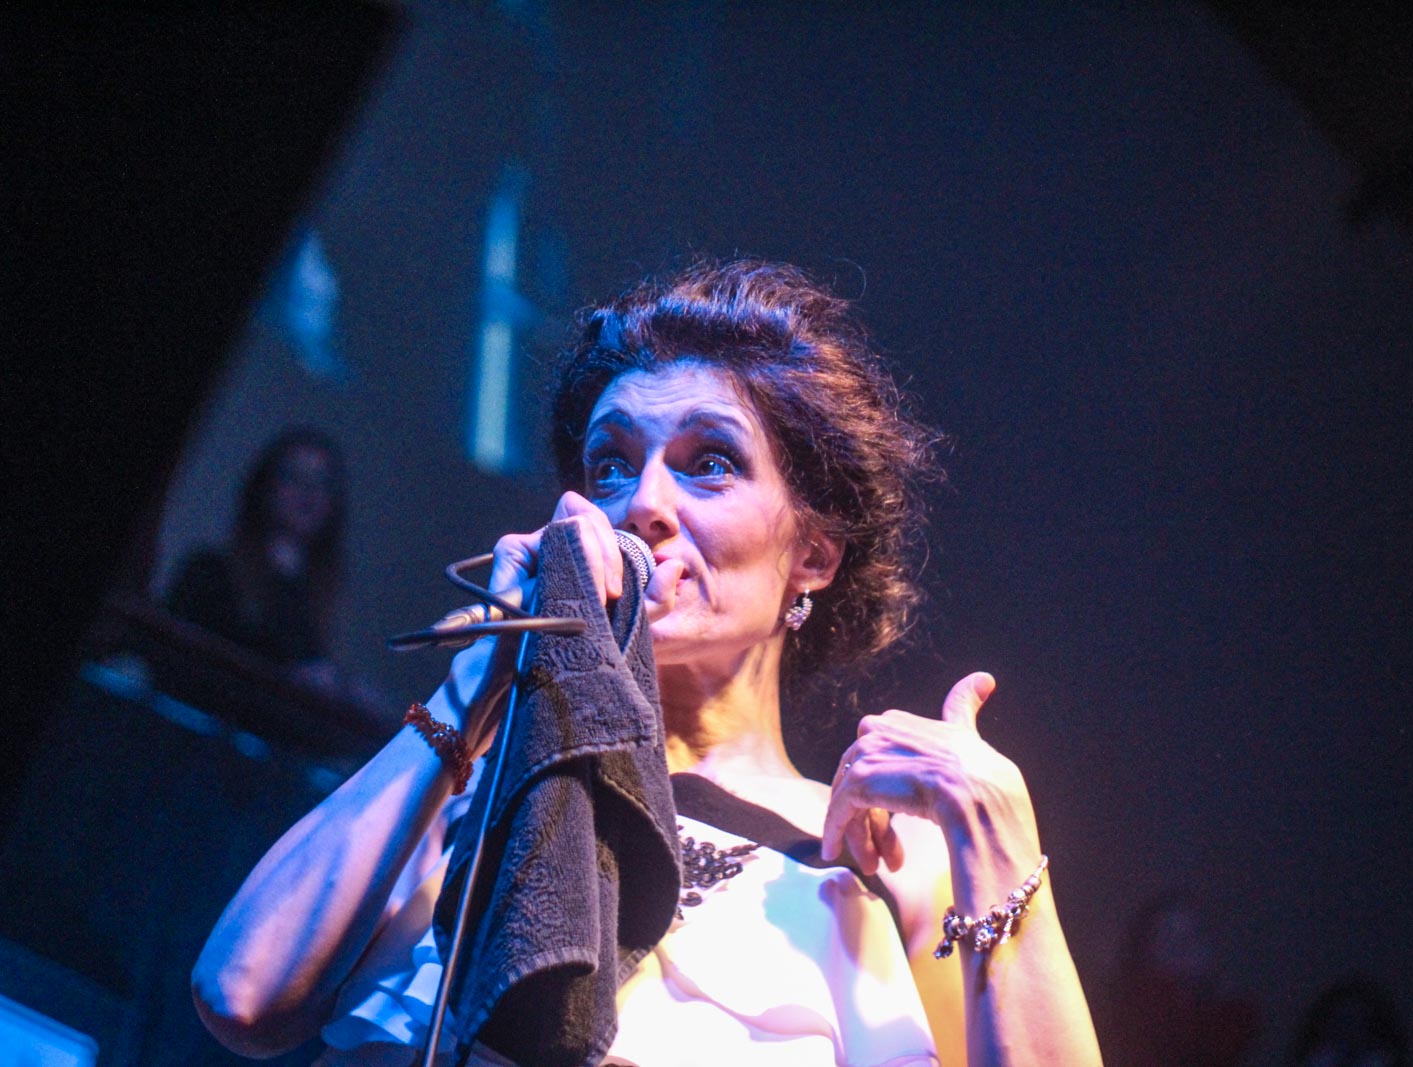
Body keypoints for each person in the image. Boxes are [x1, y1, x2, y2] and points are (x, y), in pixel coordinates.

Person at [191, 260, 1104, 1066]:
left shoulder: (885, 861)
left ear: (815, 554)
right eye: (611, 466)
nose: (642, 504)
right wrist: (479, 681)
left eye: (710, 462)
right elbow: (241, 994)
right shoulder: (469, 783)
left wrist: (997, 830)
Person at [166, 428, 381, 712]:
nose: (308, 492)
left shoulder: (315, 601)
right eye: (294, 476)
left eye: (323, 483)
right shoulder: (210, 572)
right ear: (266, 487)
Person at [1097, 890, 1259, 1067]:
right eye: (1170, 937)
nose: (1184, 947)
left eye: (1194, 935)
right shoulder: (1139, 1015)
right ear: (1146, 948)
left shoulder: (1226, 1015)